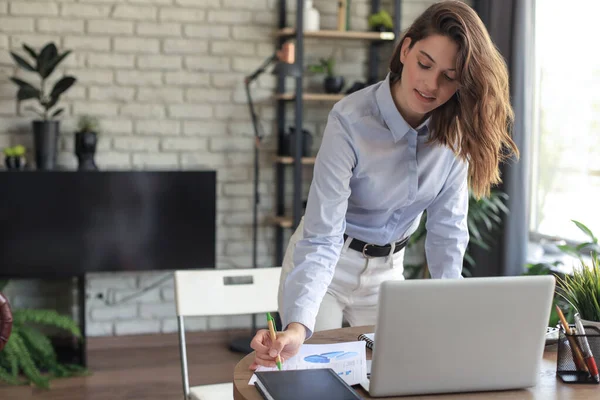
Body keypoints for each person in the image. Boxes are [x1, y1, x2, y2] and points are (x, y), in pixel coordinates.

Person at [250, 0, 519, 370]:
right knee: (311, 376)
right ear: (406, 50)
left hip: (388, 273)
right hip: (328, 265)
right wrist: (296, 326)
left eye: (449, 76)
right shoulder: (349, 119)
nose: (431, 84)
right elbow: (321, 235)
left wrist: (453, 311)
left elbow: (448, 233)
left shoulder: (455, 136)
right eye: (425, 64)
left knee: (387, 378)